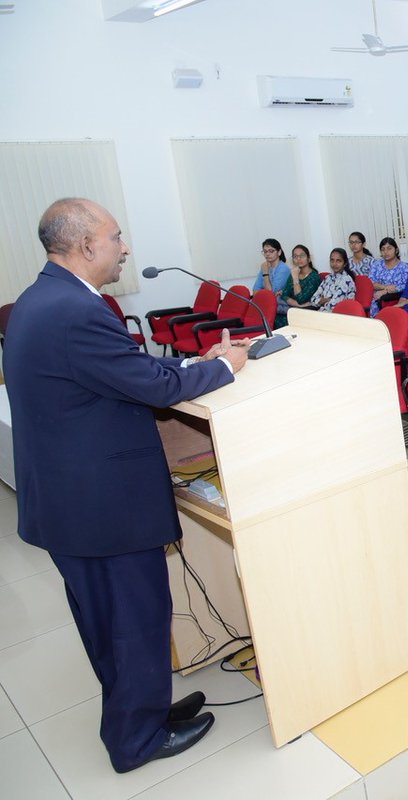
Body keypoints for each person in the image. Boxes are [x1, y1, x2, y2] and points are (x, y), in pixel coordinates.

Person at [4, 198, 250, 773]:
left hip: (72, 501)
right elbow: (147, 386)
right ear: (86, 245)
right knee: (132, 620)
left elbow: (119, 372)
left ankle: (141, 712)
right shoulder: (75, 310)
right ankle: (136, 740)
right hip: (99, 508)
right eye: (116, 237)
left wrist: (193, 364)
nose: (125, 248)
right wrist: (225, 367)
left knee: (109, 621)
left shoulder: (43, 299)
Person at [275, 244, 321, 327]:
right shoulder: (294, 273)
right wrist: (298, 305)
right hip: (293, 310)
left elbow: (300, 299)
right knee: (275, 318)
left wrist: (295, 278)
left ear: (309, 258)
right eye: (295, 256)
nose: (298, 259)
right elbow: (285, 294)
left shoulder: (314, 277)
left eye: (302, 256)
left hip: (305, 314)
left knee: (282, 321)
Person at [367, 236, 408, 317]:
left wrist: (385, 291)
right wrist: (385, 287)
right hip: (375, 297)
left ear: (396, 250)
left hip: (394, 298)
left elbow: (405, 285)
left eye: (389, 248)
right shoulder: (377, 265)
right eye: (383, 249)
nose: (386, 252)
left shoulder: (403, 267)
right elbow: (370, 282)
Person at [307, 248, 358, 312]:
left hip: (338, 315)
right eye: (332, 260)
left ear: (345, 263)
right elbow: (313, 300)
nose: (334, 264)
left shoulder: (346, 280)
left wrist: (321, 301)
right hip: (322, 313)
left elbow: (333, 306)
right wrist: (326, 300)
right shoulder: (328, 278)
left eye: (338, 261)